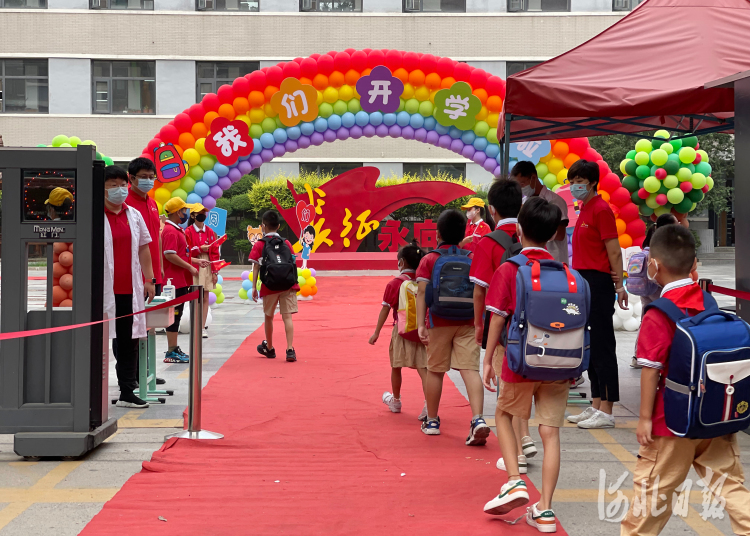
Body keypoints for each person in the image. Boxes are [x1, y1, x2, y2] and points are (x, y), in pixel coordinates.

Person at [621, 224, 750, 535]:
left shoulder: (658, 313)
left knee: (650, 500)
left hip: (671, 423)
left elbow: (650, 369)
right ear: (694, 265)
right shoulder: (708, 301)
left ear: (653, 265)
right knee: (731, 487)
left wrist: (643, 420)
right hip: (713, 418)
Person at [481, 197, 568, 532]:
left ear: (519, 231)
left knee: (504, 414)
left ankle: (515, 480)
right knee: (550, 433)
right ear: (551, 236)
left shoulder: (510, 269)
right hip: (559, 363)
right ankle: (545, 511)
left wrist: (488, 360)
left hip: (520, 362)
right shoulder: (567, 273)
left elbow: (498, 320)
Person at [469, 180, 538, 463]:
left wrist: (478, 327)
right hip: (533, 323)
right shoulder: (530, 236)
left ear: (490, 209)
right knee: (521, 385)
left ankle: (517, 455)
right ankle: (525, 437)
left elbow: (479, 291)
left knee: (505, 390)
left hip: (502, 325)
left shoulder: (488, 243)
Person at [416, 209, 490, 444]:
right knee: (470, 370)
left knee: (436, 370)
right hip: (467, 321)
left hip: (439, 321)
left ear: (437, 234)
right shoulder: (471, 258)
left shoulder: (430, 259)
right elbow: (481, 291)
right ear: (462, 235)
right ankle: (478, 418)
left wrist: (420, 324)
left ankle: (433, 420)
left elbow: (420, 292)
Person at [566, 160, 626, 430]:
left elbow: (613, 250)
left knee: (603, 344)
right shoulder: (585, 209)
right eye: (572, 180)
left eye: (579, 180)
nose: (574, 185)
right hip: (584, 282)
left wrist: (619, 285)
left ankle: (608, 408)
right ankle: (596, 403)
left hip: (599, 282)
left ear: (591, 182)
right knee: (590, 344)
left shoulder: (601, 209)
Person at [102, 166, 156, 408]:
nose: (119, 189)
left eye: (122, 184)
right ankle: (93, 390)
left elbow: (144, 246)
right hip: (101, 290)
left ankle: (127, 390)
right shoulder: (94, 215)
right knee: (99, 340)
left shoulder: (133, 214)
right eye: (112, 184)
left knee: (128, 340)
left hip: (128, 289)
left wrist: (149, 278)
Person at [369, 240, 428, 418]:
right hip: (422, 330)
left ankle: (395, 400)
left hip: (402, 330)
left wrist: (376, 332)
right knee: (424, 368)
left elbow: (385, 309)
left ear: (401, 262)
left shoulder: (394, 284)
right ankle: (429, 404)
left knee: (396, 365)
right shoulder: (424, 281)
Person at [125, 158, 167, 385]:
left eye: (152, 177)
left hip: (153, 275)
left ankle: (146, 369)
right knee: (130, 327)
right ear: (131, 178)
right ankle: (130, 375)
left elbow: (155, 241)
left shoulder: (152, 203)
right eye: (144, 177)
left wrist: (159, 272)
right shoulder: (125, 204)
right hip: (134, 277)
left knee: (149, 325)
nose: (149, 181)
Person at [629, 213, 678, 369]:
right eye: (676, 222)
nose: (679, 224)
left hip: (646, 289)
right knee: (662, 321)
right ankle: (659, 356)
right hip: (657, 288)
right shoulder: (662, 244)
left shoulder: (651, 241)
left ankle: (638, 356)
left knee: (646, 320)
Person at [250, 210, 299, 362]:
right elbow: (293, 262)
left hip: (269, 285)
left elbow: (256, 267)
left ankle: (270, 348)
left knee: (269, 317)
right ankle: (290, 349)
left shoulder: (260, 244)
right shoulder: (287, 243)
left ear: (263, 226)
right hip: (287, 285)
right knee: (287, 317)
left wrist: (254, 287)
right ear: (278, 226)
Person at [509, 160, 569, 264]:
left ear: (533, 177)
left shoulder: (554, 201)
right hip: (529, 261)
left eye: (522, 183)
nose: (521, 188)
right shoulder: (523, 203)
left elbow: (560, 234)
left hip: (553, 261)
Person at [162, 197, 199, 363]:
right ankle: (171, 350)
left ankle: (173, 347)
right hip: (173, 281)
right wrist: (190, 267)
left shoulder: (177, 230)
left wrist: (194, 262)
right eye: (185, 210)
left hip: (180, 280)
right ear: (178, 212)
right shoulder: (170, 231)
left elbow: (181, 254)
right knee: (174, 316)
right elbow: (169, 254)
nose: (187, 213)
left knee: (177, 315)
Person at [186, 204, 219, 339]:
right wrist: (200, 249)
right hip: (193, 263)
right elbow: (186, 251)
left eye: (204, 212)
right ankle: (194, 325)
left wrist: (215, 272)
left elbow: (215, 252)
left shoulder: (210, 231)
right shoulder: (187, 231)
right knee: (194, 297)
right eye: (199, 213)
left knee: (205, 297)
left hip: (207, 265)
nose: (202, 215)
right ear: (193, 216)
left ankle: (202, 326)